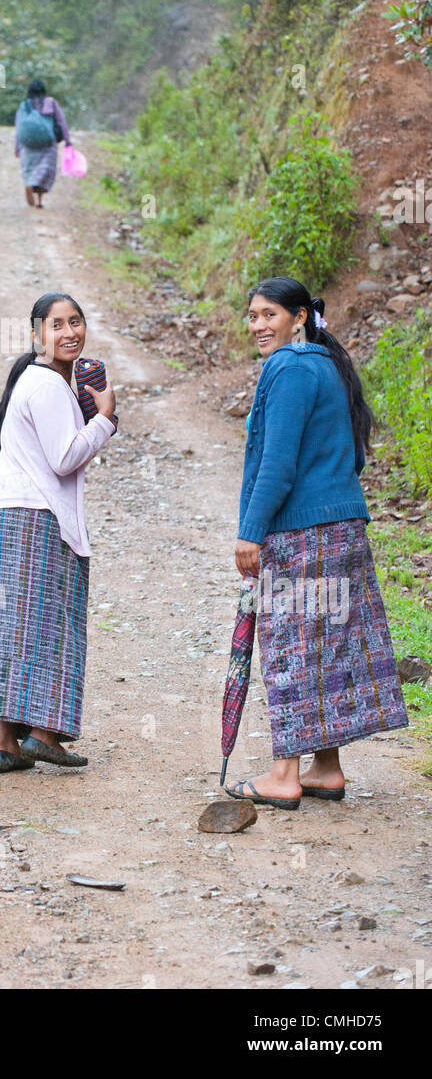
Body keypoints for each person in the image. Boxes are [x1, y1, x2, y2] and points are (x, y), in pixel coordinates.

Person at [226, 276, 408, 810]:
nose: (258, 325)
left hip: (302, 534)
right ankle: (325, 767)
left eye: (269, 315)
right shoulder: (328, 367)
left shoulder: (285, 368)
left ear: (300, 316)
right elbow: (351, 456)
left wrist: (250, 531)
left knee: (292, 647)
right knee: (331, 643)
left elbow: (277, 463)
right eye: (253, 315)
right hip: (344, 528)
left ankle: (284, 774)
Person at [0, 291, 116, 771]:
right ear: (37, 334)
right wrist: (106, 421)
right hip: (33, 518)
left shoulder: (36, 381)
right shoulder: (49, 384)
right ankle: (43, 733)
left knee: (7, 629)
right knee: (47, 625)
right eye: (57, 325)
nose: (70, 332)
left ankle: (6, 745)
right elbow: (64, 458)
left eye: (77, 322)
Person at [14, 78, 72, 210]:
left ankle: (29, 184)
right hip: (47, 143)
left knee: (30, 169)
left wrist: (17, 147)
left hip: (28, 144)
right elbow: (61, 121)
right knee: (45, 170)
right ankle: (39, 201)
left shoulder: (24, 105)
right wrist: (67, 141)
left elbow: (18, 127)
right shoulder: (50, 102)